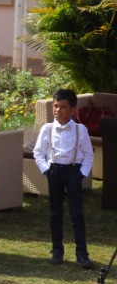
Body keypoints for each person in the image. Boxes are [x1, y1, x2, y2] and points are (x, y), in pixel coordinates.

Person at [33, 89, 94, 268]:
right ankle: (57, 250)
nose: (58, 110)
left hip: (73, 172)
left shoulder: (80, 129)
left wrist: (82, 173)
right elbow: (38, 153)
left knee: (77, 213)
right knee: (55, 213)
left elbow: (88, 154)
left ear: (73, 110)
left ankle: (82, 253)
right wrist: (46, 170)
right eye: (55, 106)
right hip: (55, 172)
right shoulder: (47, 129)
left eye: (63, 107)